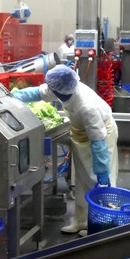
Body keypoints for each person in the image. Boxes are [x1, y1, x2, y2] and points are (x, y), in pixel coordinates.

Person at [11, 65, 119, 236]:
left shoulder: (86, 106)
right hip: (80, 134)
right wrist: (11, 97)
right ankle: (81, 221)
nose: (49, 89)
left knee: (96, 180)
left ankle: (101, 226)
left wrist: (102, 171)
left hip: (102, 138)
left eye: (52, 88)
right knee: (82, 179)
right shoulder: (61, 88)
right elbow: (36, 93)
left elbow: (98, 142)